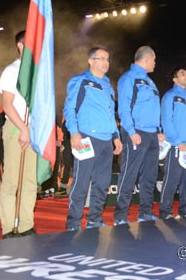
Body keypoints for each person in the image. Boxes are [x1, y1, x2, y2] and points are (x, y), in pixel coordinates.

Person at [63, 46, 122, 232]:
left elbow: (110, 113)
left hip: (106, 141)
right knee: (81, 181)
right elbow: (69, 109)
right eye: (101, 58)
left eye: (107, 59)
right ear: (90, 61)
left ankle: (94, 219)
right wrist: (74, 132)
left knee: (102, 184)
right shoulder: (80, 81)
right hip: (86, 138)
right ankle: (73, 222)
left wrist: (116, 137)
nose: (105, 63)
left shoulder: (108, 85)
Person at [114, 46, 164, 225]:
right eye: (154, 60)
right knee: (129, 173)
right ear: (147, 58)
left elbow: (153, 109)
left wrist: (158, 130)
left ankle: (145, 212)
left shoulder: (150, 82)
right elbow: (124, 107)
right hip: (136, 132)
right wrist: (131, 131)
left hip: (151, 135)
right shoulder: (129, 78)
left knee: (150, 176)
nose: (155, 63)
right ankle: (120, 216)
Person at [0, 30, 37, 238]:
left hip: (33, 130)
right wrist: (23, 128)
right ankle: (8, 227)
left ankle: (26, 225)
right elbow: (7, 105)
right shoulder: (12, 70)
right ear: (20, 46)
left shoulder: (36, 73)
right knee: (12, 180)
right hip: (16, 128)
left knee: (30, 181)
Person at [159, 68, 186, 219]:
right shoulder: (169, 96)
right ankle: (165, 211)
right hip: (175, 145)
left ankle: (185, 209)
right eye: (182, 73)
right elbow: (166, 121)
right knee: (172, 178)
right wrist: (177, 142)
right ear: (175, 79)